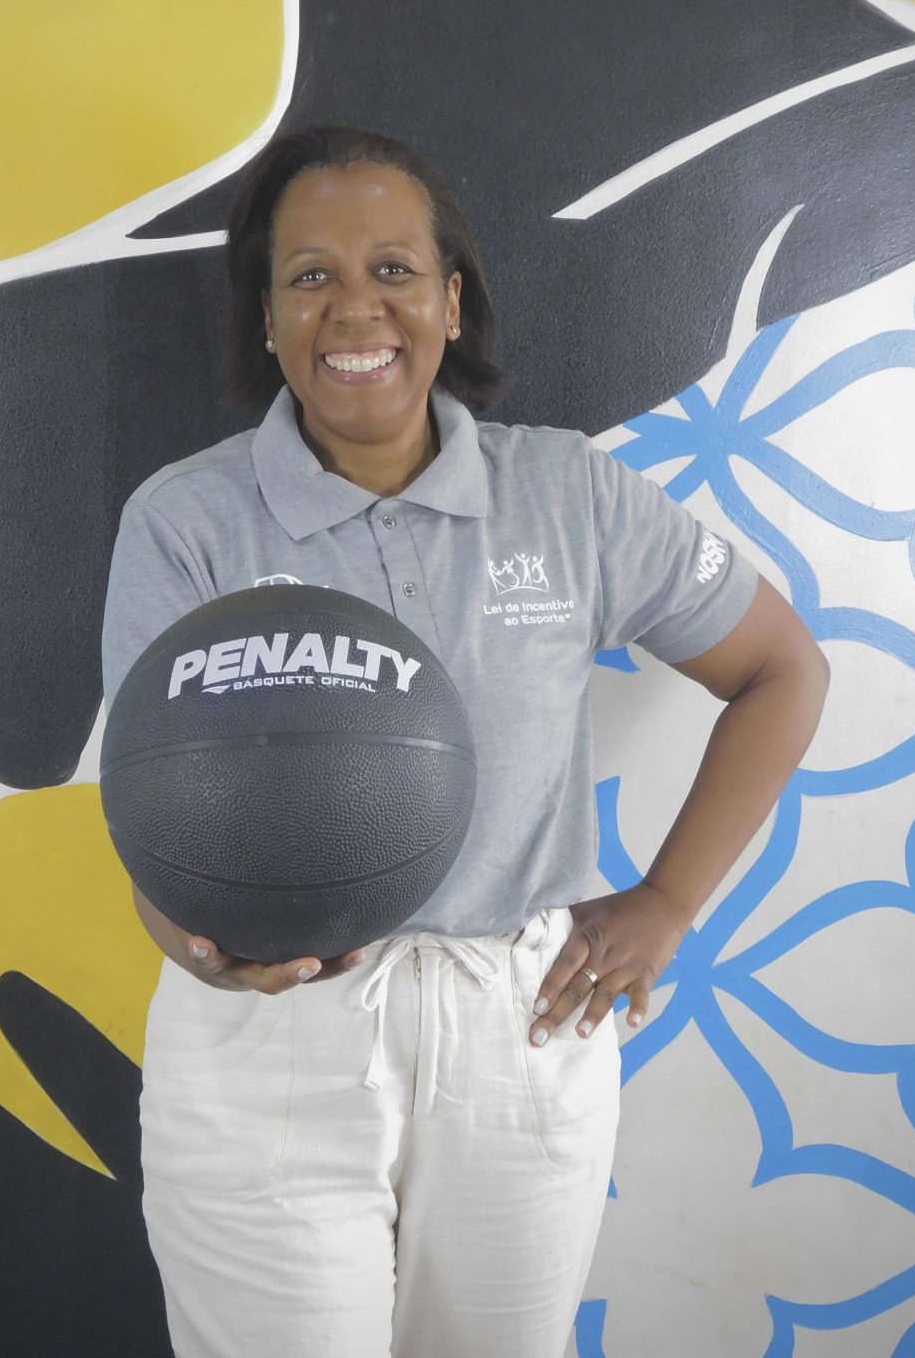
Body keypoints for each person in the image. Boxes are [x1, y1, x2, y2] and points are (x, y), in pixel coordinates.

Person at [100, 125, 830, 1358]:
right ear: (268, 319)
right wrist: (210, 951)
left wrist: (666, 903)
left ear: (450, 300)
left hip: (522, 1024)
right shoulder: (187, 521)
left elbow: (782, 669)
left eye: (392, 268)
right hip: (271, 1040)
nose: (355, 308)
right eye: (310, 276)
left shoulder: (570, 495)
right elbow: (150, 820)